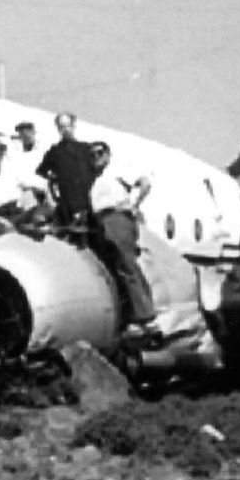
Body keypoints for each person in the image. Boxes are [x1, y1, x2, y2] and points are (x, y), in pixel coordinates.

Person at [88, 140, 159, 338]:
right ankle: (130, 317)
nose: (96, 157)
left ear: (108, 154)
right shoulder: (97, 179)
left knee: (127, 265)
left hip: (117, 217)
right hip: (102, 221)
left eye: (100, 153)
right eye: (92, 155)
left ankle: (146, 316)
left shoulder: (117, 170)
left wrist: (134, 206)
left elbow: (145, 182)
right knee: (115, 267)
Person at [36, 111, 98, 232]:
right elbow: (41, 173)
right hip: (66, 203)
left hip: (88, 201)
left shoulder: (86, 148)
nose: (65, 129)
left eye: (67, 125)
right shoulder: (54, 152)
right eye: (61, 127)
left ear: (73, 125)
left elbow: (97, 171)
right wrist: (52, 185)